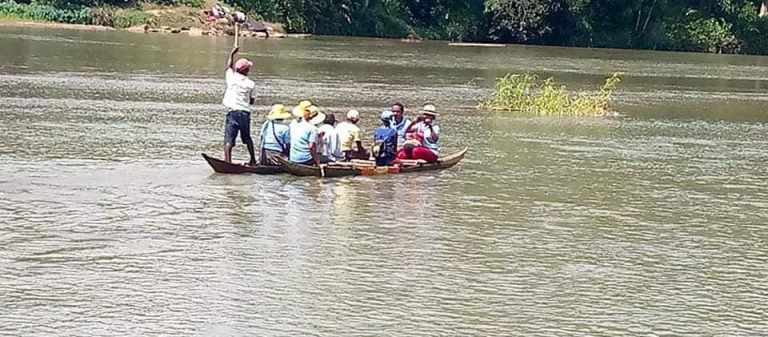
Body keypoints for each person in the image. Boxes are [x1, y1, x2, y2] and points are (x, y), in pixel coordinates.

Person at [222, 46, 256, 165]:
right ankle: (253, 159)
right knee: (247, 138)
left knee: (229, 139)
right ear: (247, 71)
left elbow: (228, 66)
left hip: (233, 112)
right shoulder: (251, 84)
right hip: (244, 113)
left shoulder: (231, 78)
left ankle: (228, 161)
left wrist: (232, 53)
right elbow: (252, 101)